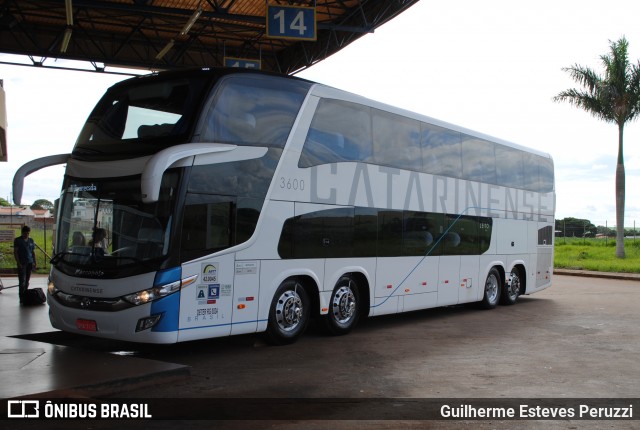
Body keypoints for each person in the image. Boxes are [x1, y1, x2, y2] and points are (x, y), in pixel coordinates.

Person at [13, 225, 37, 304]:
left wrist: (34, 262)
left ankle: (26, 295)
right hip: (22, 263)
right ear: (22, 233)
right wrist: (18, 263)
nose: (26, 235)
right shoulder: (17, 240)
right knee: (22, 281)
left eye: (28, 233)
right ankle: (21, 297)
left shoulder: (31, 240)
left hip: (30, 262)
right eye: (25, 233)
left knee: (27, 280)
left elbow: (33, 252)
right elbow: (15, 252)